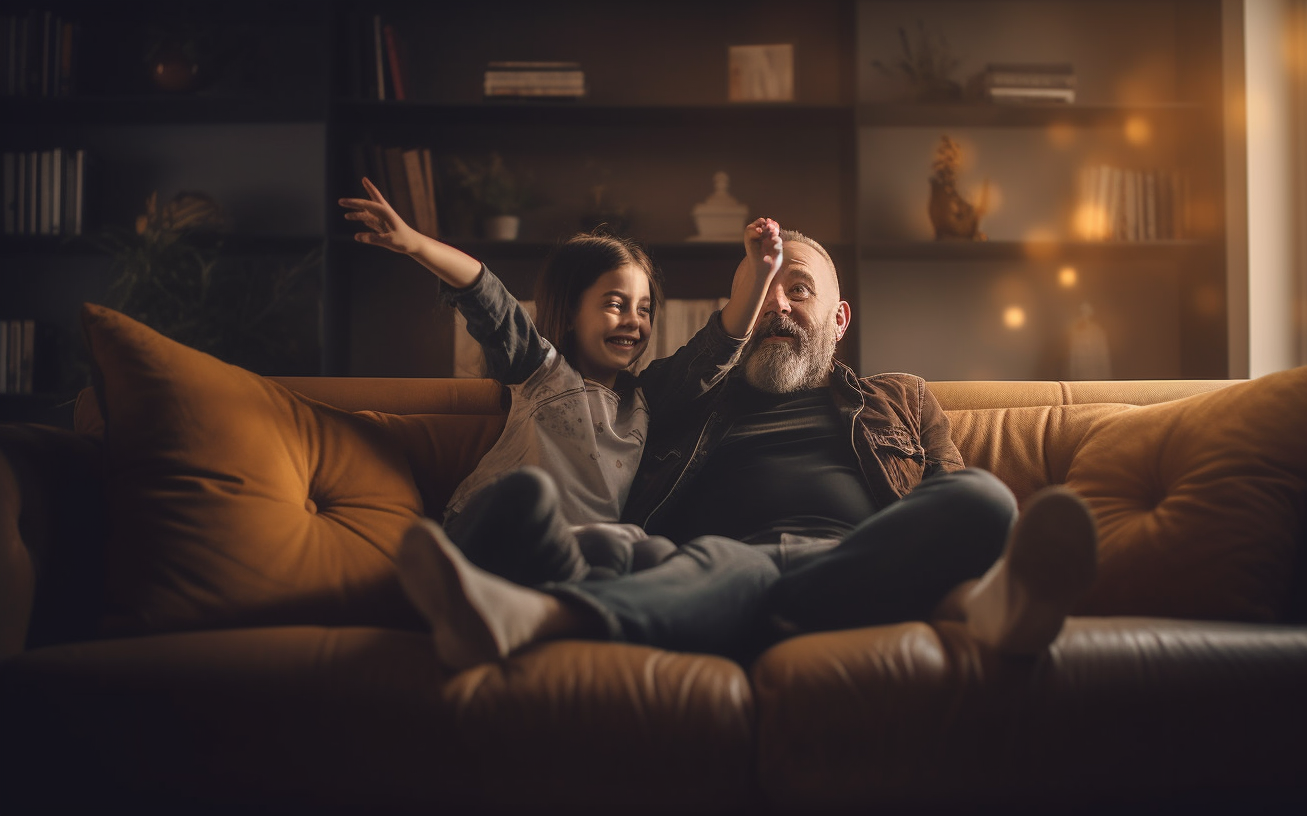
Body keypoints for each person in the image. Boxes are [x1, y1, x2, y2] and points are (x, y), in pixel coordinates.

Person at [395, 227, 1101, 668]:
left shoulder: (900, 396)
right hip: (720, 565)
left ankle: (983, 605)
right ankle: (538, 612)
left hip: (859, 563)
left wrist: (960, 575)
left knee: (981, 497)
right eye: (766, 292)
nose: (780, 306)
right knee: (731, 569)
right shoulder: (675, 395)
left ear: (838, 317)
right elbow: (709, 348)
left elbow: (949, 506)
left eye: (799, 289)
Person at [339, 177, 784, 585]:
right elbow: (487, 296)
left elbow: (715, 349)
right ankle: (447, 571)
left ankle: (557, 605)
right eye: (615, 303)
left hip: (580, 556)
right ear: (571, 313)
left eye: (644, 309)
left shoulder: (648, 398)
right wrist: (415, 243)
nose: (633, 320)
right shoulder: (541, 370)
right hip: (500, 533)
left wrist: (761, 271)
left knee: (645, 549)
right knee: (529, 494)